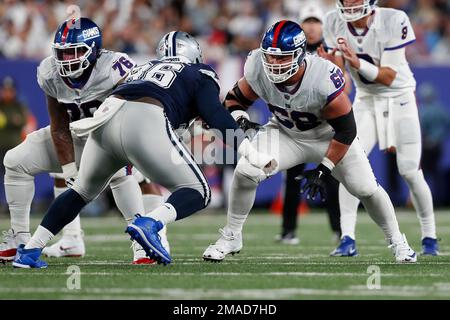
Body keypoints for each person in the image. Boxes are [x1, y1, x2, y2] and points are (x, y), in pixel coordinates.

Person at [12, 31, 274, 268]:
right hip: (145, 119)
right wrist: (251, 152)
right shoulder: (200, 73)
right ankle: (150, 223)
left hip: (106, 117)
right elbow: (216, 114)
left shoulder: (144, 67)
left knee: (81, 191)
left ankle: (30, 250)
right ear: (194, 54)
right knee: (199, 191)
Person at [202, 20, 417, 264]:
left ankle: (399, 242)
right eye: (270, 57)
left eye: (282, 58)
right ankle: (232, 236)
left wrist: (324, 169)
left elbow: (346, 130)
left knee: (365, 188)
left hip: (328, 136)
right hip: (286, 132)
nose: (274, 63)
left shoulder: (322, 77)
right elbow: (235, 99)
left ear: (299, 55)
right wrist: (239, 118)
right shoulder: (257, 67)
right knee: (246, 170)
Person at [1, 17, 167, 265]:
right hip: (76, 134)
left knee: (121, 174)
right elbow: (58, 126)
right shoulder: (49, 72)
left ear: (94, 50)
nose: (68, 60)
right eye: (63, 53)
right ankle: (19, 238)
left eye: (75, 52)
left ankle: (142, 243)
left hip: (110, 137)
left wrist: (129, 148)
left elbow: (135, 113)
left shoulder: (115, 68)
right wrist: (69, 170)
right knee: (14, 161)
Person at [320, 0, 439, 256]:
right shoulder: (332, 20)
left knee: (409, 170)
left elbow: (388, 76)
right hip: (366, 99)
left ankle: (430, 236)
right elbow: (339, 67)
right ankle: (347, 237)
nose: (350, 4)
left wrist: (355, 62)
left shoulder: (394, 19)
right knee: (349, 164)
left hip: (400, 98)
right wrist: (331, 64)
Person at [275, 3, 341, 245]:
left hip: (325, 124)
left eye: (316, 22)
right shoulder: (288, 52)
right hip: (298, 124)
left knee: (332, 178)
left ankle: (340, 229)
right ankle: (288, 230)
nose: (312, 27)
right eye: (308, 22)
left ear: (323, 25)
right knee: (293, 178)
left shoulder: (332, 50)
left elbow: (344, 89)